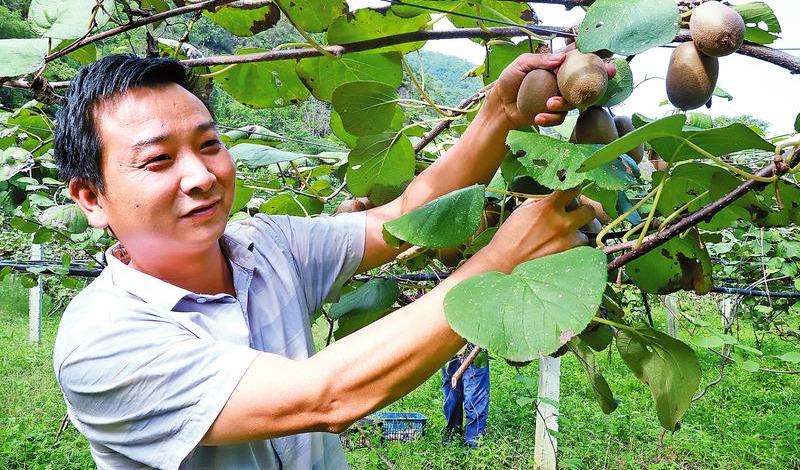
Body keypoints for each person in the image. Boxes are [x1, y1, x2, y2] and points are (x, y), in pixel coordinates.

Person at [51, 51, 608, 469]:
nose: (199, 177)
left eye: (209, 145)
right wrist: (500, 261)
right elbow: (325, 396)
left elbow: (404, 219)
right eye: (157, 161)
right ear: (92, 198)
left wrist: (498, 115)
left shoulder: (266, 246)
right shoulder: (100, 342)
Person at [441, 343, 489, 448]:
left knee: (474, 398)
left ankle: (474, 444)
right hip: (448, 348)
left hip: (474, 347)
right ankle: (453, 433)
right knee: (452, 398)